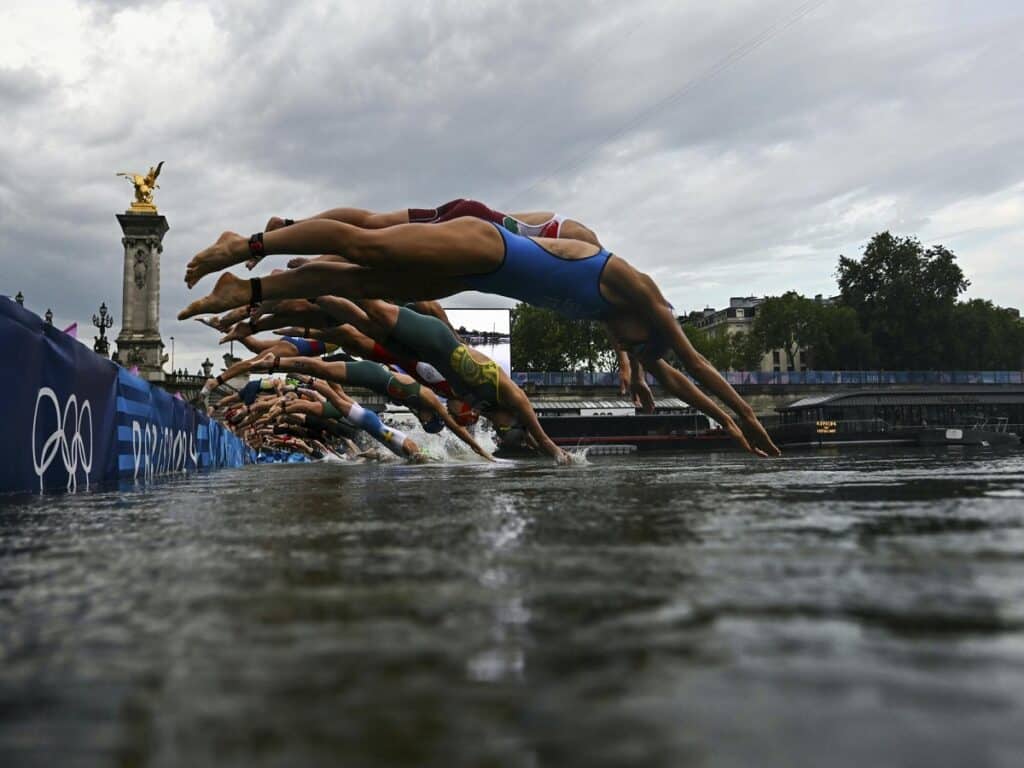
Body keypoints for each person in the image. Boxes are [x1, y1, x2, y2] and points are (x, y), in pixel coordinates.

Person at [180, 218, 780, 457]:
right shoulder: (637, 291)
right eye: (641, 353)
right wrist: (747, 417)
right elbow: (696, 363)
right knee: (365, 246)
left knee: (363, 280)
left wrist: (723, 423)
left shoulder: (624, 327)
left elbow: (676, 376)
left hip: (475, 274)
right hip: (488, 245)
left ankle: (250, 293)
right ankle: (250, 246)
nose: (642, 361)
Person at [247, 352, 494, 460]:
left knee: (334, 395)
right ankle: (283, 364)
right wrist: (479, 450)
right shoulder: (430, 399)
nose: (422, 421)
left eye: (424, 424)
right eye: (426, 421)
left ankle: (290, 370)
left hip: (371, 393)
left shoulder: (422, 407)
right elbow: (454, 424)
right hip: (372, 375)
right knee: (326, 381)